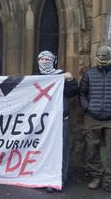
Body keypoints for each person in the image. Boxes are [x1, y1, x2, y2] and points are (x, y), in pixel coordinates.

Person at [79, 46, 111, 198]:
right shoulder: (89, 73)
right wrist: (87, 108)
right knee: (91, 149)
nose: (103, 63)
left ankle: (110, 183)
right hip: (91, 118)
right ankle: (96, 176)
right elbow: (82, 93)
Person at [36, 51, 78, 193]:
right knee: (42, 150)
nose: (44, 61)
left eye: (47, 59)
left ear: (53, 61)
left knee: (61, 150)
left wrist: (70, 79)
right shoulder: (35, 77)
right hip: (42, 122)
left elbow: (73, 91)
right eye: (41, 59)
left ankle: (59, 179)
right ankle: (42, 178)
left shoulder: (61, 76)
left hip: (61, 120)